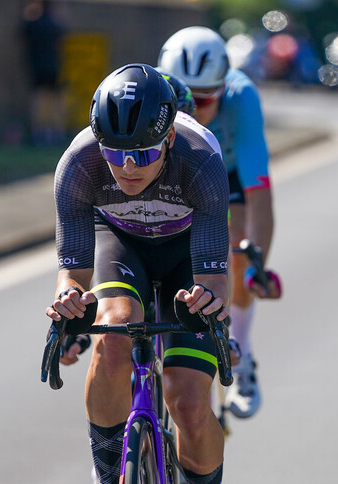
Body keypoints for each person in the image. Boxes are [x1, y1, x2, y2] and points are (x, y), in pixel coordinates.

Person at [45, 64, 230, 484]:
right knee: (112, 336)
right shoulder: (78, 163)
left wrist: (210, 303)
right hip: (121, 242)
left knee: (187, 403)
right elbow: (72, 272)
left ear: (168, 139)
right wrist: (70, 300)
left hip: (187, 253)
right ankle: (109, 473)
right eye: (114, 153)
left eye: (143, 154)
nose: (128, 168)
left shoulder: (200, 159)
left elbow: (215, 280)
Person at [158, 26, 282, 419]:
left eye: (205, 99)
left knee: (238, 241)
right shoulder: (152, 93)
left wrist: (256, 260)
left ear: (223, 89)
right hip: (172, 174)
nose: (192, 109)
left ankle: (241, 353)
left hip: (224, 175)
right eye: (183, 100)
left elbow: (258, 189)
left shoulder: (241, 98)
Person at [20, 0, 65, 145]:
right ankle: (54, 133)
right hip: (53, 66)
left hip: (36, 66)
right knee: (54, 101)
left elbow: (22, 33)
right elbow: (62, 36)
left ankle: (38, 133)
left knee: (38, 100)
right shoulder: (52, 24)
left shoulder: (33, 23)